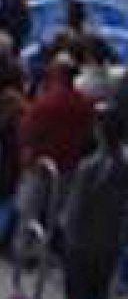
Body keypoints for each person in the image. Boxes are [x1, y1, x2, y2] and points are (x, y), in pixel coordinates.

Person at [61, 113, 128, 299]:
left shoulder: (88, 168)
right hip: (110, 243)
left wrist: (65, 233)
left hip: (82, 243)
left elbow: (76, 207)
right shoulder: (123, 166)